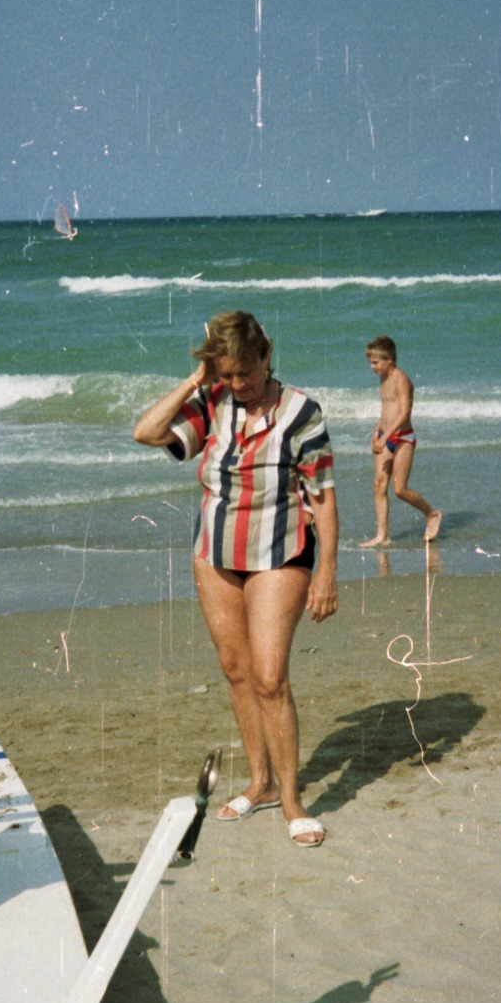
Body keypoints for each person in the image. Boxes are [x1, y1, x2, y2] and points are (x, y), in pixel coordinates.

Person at [133, 311, 338, 847]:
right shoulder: (213, 402)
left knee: (270, 676)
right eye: (229, 375)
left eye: (245, 373)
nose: (239, 385)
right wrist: (197, 383)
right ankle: (260, 782)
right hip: (216, 550)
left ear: (266, 357)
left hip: (280, 551)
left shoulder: (301, 412)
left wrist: (327, 573)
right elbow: (145, 433)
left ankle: (293, 800)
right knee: (235, 669)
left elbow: (324, 496)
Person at [358, 335, 442, 547]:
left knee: (399, 489)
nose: (372, 367)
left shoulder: (401, 379)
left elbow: (404, 413)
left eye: (375, 362)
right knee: (379, 485)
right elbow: (387, 408)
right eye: (371, 362)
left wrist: (386, 436)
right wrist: (377, 430)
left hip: (402, 438)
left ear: (390, 360)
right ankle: (382, 536)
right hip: (385, 436)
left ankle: (432, 514)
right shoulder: (383, 379)